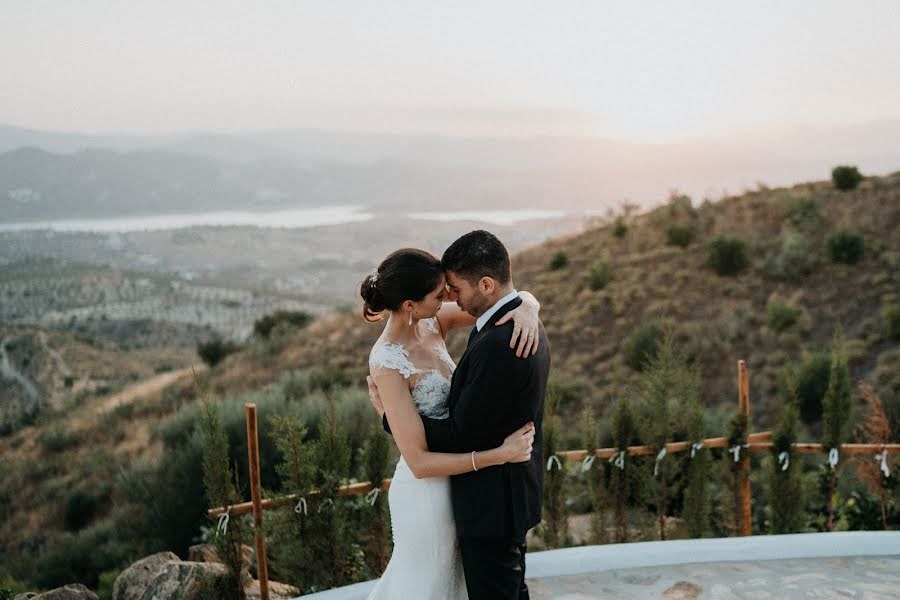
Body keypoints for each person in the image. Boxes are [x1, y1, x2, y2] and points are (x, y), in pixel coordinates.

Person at [367, 231, 550, 600]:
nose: (449, 298)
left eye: (450, 289)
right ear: (409, 305)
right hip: (428, 492)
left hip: (467, 487)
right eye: (440, 294)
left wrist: (528, 304)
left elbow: (499, 297)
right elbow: (417, 460)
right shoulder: (387, 361)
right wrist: (497, 455)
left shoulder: (433, 323)